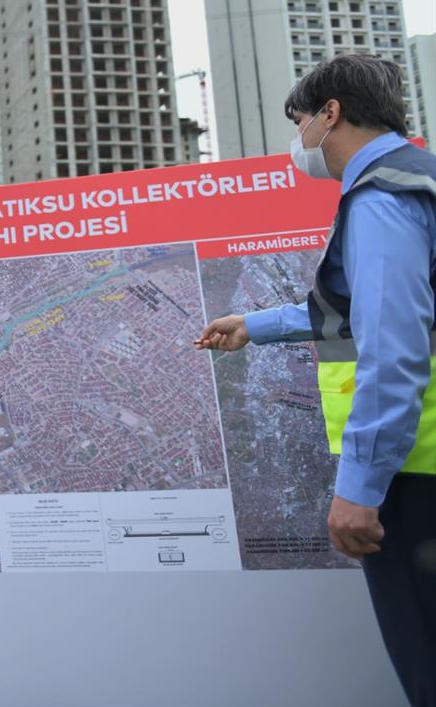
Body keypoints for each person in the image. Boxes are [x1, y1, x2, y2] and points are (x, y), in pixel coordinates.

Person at [197, 54, 435, 707]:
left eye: (300, 120)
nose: (298, 141)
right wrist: (255, 323)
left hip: (417, 474)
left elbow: (392, 347)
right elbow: (361, 310)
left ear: (330, 114)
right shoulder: (418, 180)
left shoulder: (382, 196)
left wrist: (360, 486)